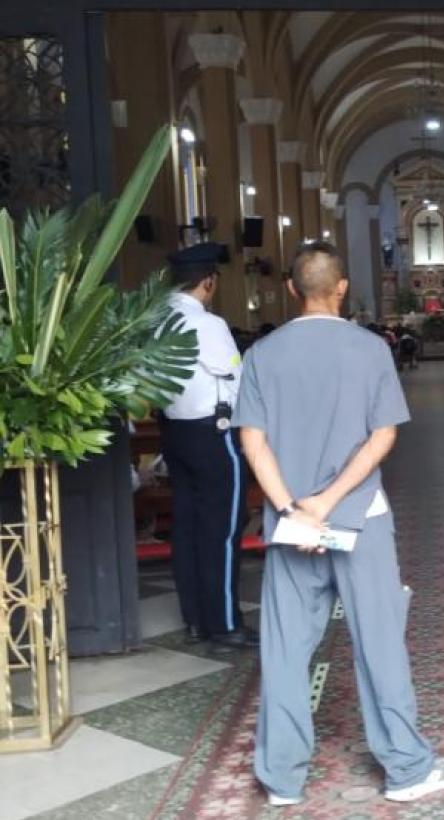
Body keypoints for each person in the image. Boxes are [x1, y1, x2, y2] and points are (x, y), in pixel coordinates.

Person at [234, 243, 444, 806]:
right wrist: (330, 499)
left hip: (292, 526)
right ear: (342, 288)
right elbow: (383, 436)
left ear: (291, 290)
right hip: (361, 516)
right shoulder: (370, 349)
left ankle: (283, 780)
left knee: (287, 649)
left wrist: (293, 506)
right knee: (379, 640)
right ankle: (406, 769)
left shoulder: (262, 354)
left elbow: (251, 441)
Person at [159, 242, 254, 654]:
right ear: (208, 282)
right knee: (224, 529)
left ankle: (196, 619)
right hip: (214, 435)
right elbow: (234, 375)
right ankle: (226, 623)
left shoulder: (155, 319)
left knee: (188, 526)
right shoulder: (208, 325)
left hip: (175, 431)